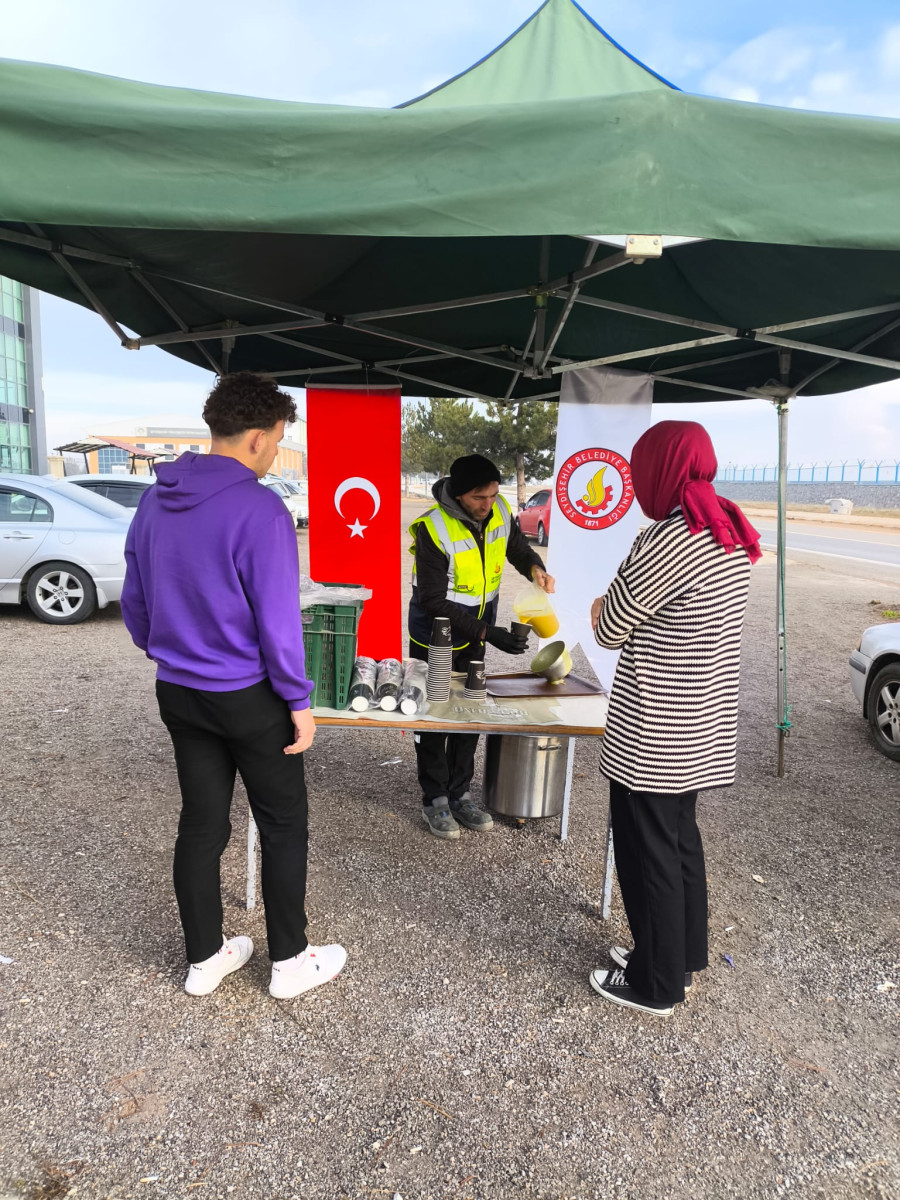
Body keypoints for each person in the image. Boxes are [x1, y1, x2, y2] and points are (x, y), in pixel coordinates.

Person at [121, 372, 346, 999]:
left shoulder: (153, 500)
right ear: (254, 437)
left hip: (179, 690)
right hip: (247, 696)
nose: (275, 451)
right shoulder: (259, 507)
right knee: (281, 823)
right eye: (276, 440)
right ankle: (290, 962)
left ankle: (205, 959)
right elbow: (279, 621)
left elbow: (135, 599)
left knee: (201, 824)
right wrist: (298, 700)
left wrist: (165, 649)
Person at [587, 421, 761, 1017]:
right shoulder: (728, 526)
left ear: (664, 469)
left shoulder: (669, 537)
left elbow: (611, 625)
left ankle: (656, 985)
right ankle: (677, 955)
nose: (636, 487)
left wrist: (597, 606)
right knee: (680, 842)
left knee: (648, 850)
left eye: (640, 472)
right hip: (702, 723)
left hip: (654, 728)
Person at [408, 454, 555, 840]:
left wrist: (534, 568)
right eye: (478, 497)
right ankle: (435, 798)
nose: (487, 503)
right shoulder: (432, 529)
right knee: (434, 714)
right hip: (435, 633)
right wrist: (490, 633)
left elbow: (517, 547)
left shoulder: (499, 509)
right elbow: (433, 600)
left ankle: (460, 793)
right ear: (459, 494)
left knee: (469, 710)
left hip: (476, 629)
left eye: (492, 494)